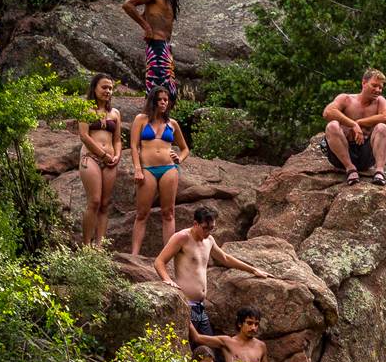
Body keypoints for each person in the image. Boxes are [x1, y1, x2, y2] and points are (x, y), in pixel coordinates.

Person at [153, 205, 266, 339]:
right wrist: (168, 280)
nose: (208, 232)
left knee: (208, 351)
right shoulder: (182, 237)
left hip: (201, 307)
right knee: (192, 348)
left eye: (211, 228)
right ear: (196, 224)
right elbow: (159, 262)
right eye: (205, 228)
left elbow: (225, 258)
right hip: (186, 305)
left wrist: (253, 269)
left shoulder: (209, 240)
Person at [129, 85, 189, 258]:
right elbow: (133, 146)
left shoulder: (173, 124)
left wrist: (180, 158)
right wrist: (137, 169)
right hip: (147, 169)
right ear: (153, 100)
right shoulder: (141, 119)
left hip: (169, 168)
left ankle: (167, 256)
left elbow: (185, 149)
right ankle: (134, 255)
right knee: (141, 213)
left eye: (166, 100)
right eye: (160, 99)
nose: (163, 102)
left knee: (168, 212)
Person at [321, 70, 386, 187]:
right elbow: (328, 112)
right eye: (374, 85)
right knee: (332, 125)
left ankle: (379, 171)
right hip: (342, 155)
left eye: (380, 87)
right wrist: (352, 125)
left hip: (365, 156)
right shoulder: (346, 99)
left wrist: (359, 123)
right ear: (364, 83)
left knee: (382, 127)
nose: (378, 90)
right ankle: (350, 168)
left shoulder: (380, 101)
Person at [122, 0, 181, 100]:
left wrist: (146, 21)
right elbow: (128, 5)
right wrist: (146, 27)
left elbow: (147, 14)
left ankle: (164, 120)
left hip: (165, 47)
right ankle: (151, 119)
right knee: (159, 89)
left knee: (169, 91)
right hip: (156, 45)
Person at [77, 74, 122, 248]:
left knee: (105, 203)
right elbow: (84, 136)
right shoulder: (85, 109)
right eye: (104, 87)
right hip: (91, 157)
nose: (107, 91)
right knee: (94, 201)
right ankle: (86, 246)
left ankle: (99, 246)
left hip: (111, 160)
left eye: (110, 88)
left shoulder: (115, 113)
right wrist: (103, 155)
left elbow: (117, 139)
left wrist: (117, 155)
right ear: (94, 88)